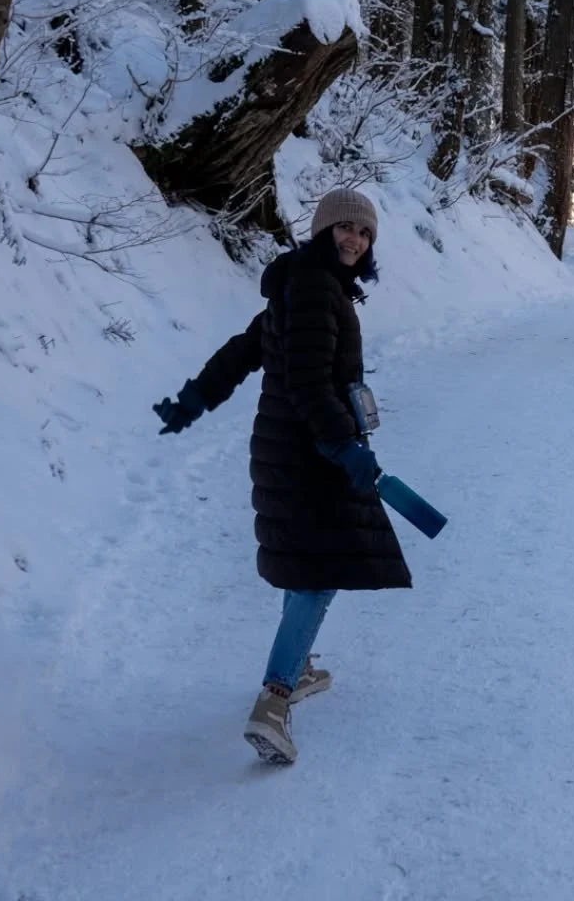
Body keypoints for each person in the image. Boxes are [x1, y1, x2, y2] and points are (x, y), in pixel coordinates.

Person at [153, 188, 410, 765]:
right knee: (321, 572)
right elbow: (308, 382)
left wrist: (193, 400)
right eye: (344, 228)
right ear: (322, 231)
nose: (354, 239)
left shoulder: (303, 281)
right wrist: (341, 444)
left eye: (364, 232)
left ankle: (299, 664)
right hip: (310, 452)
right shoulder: (317, 288)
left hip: (289, 448)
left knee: (308, 558)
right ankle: (274, 701)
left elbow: (244, 350)